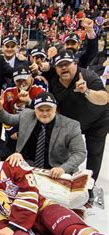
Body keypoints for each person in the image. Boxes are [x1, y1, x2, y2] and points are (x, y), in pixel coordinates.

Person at [44, 50, 108, 183]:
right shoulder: (54, 82)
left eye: (67, 64)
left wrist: (86, 91)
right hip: (72, 122)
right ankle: (66, 177)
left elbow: (104, 99)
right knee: (66, 150)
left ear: (75, 63)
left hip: (97, 121)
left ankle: (90, 185)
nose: (64, 68)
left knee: (94, 153)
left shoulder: (88, 76)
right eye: (60, 65)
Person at [0, 92, 87, 178]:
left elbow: (80, 153)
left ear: (55, 109)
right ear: (34, 109)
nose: (45, 113)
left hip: (56, 168)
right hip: (29, 165)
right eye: (40, 110)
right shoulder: (26, 114)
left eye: (49, 110)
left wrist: (63, 168)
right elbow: (8, 119)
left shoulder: (71, 125)